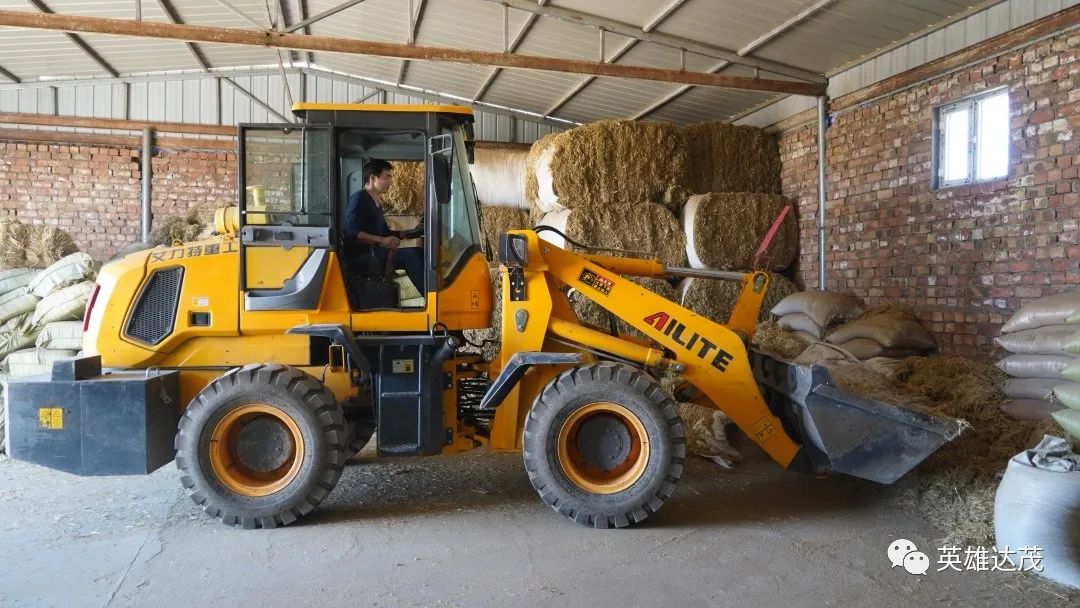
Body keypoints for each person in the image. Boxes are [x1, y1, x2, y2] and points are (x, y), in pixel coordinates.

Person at [343, 158, 424, 296]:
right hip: (363, 257)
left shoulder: (376, 202)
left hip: (375, 252)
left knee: (420, 252)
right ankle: (430, 297)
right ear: (373, 178)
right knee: (409, 256)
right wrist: (382, 240)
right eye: (387, 177)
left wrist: (413, 231)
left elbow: (386, 233)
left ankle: (437, 294)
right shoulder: (359, 199)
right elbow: (352, 233)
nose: (390, 182)